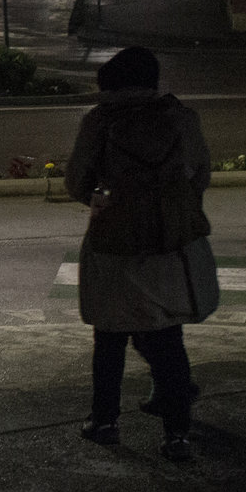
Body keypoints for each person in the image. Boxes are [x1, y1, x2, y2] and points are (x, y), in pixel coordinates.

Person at [63, 46, 213, 461]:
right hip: (167, 241)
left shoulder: (99, 121)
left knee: (109, 335)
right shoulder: (181, 119)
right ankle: (177, 433)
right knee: (167, 336)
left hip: (114, 240)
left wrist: (106, 194)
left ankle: (105, 421)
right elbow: (200, 175)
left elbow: (76, 182)